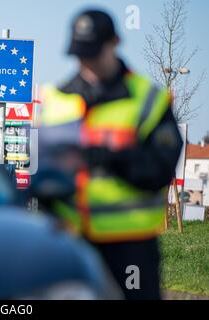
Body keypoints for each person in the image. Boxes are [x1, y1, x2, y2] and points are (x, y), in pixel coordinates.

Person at [38, 9, 183, 300]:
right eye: (80, 55)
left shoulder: (148, 100)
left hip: (130, 246)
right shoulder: (55, 99)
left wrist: (113, 158)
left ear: (114, 43)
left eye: (93, 53)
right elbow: (43, 170)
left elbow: (159, 171)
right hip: (71, 242)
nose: (86, 63)